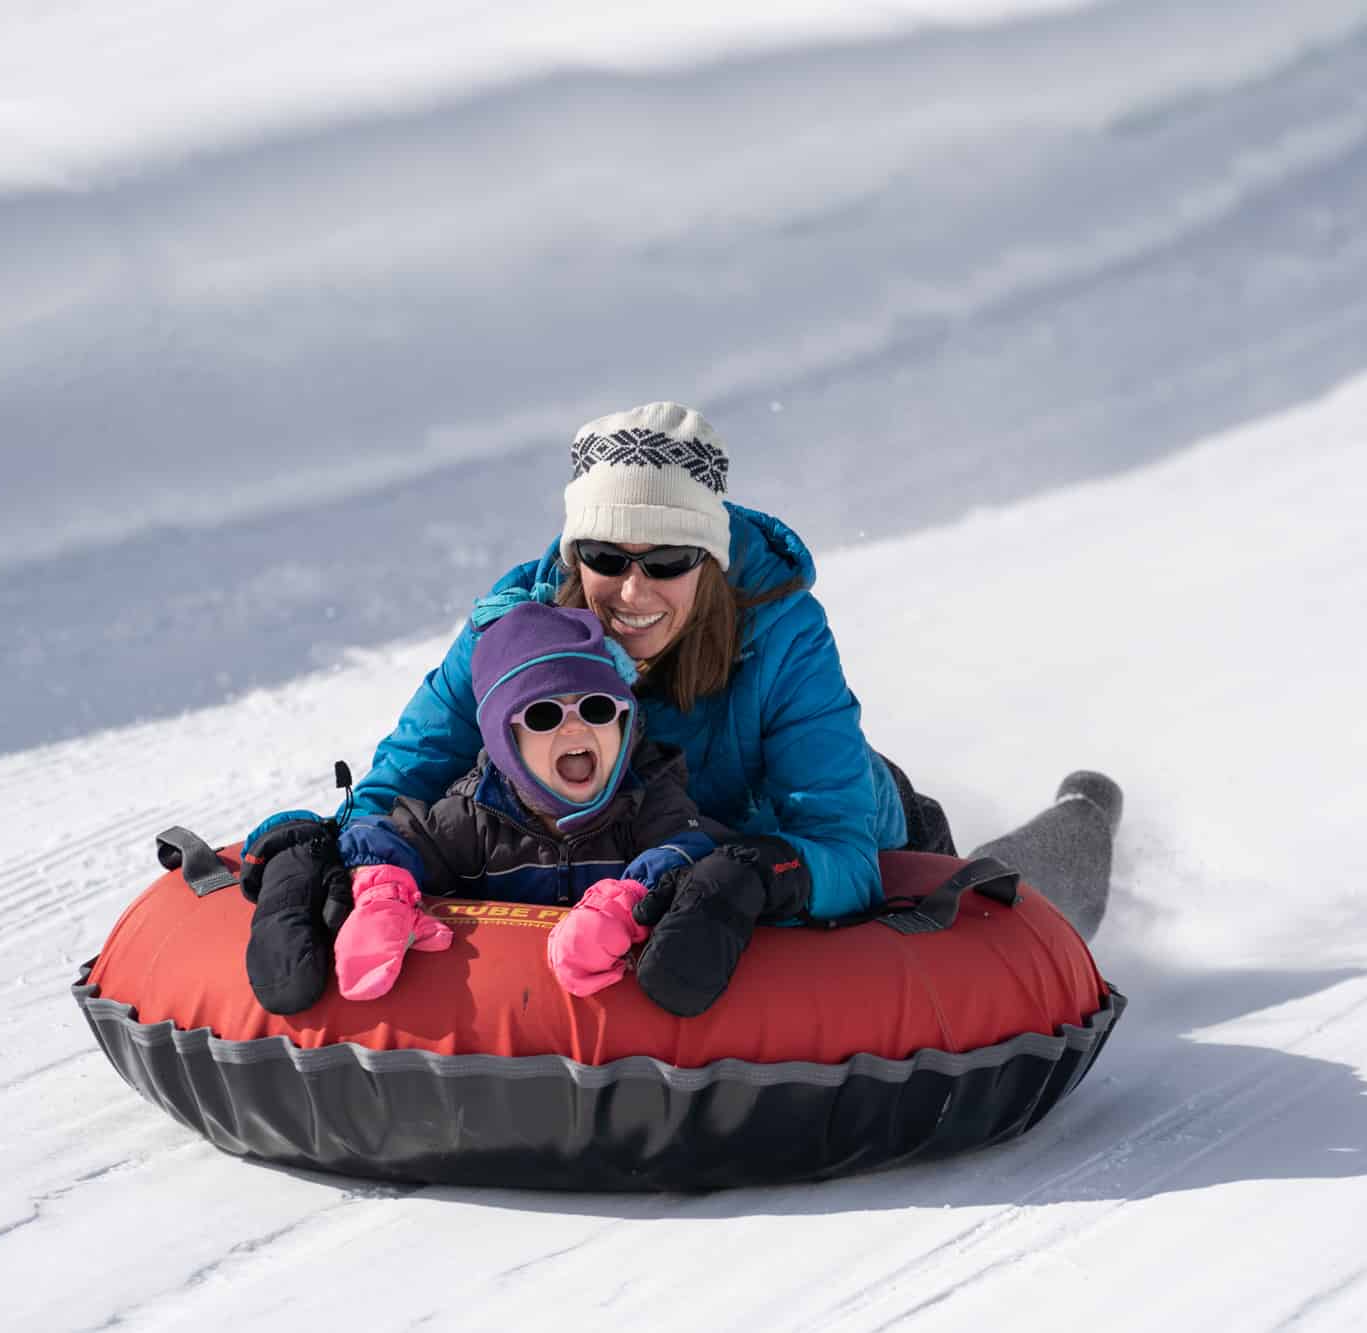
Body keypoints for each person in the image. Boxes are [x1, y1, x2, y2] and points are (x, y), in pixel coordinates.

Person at [350, 401, 939, 925]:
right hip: (645, 864)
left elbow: (843, 849)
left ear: (708, 560)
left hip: (859, 831)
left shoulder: (781, 632)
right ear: (575, 557)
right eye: (606, 557)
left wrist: (755, 873)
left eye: (668, 559)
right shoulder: (515, 631)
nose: (633, 593)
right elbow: (401, 779)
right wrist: (340, 857)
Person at [243, 601, 777, 1015]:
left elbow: (688, 848)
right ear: (505, 746)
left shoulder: (647, 801)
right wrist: (382, 887)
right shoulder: (475, 819)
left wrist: (630, 899)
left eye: (595, 709)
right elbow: (392, 836)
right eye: (543, 716)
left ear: (624, 725)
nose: (574, 727)